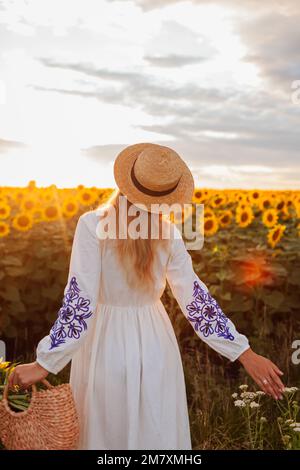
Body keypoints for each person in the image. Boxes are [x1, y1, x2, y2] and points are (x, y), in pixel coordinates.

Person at [8, 143, 285, 450]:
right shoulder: (170, 234)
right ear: (167, 197)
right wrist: (244, 353)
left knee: (105, 438)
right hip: (156, 345)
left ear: (126, 183)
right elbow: (195, 301)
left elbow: (80, 302)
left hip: (104, 346)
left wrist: (45, 363)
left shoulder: (92, 225)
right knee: (155, 436)